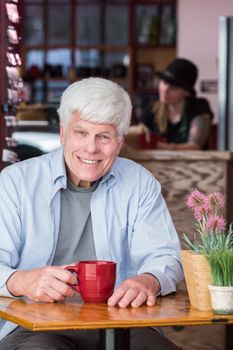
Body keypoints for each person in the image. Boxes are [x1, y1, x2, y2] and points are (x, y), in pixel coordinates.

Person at [0, 77, 183, 350]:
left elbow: (166, 257)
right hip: (34, 326)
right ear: (62, 133)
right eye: (80, 132)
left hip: (123, 324)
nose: (91, 148)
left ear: (120, 141)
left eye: (104, 136)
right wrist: (23, 281)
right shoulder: (16, 182)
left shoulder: (140, 183)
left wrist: (149, 280)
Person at [131, 58, 213, 150]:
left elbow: (195, 146)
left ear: (186, 92)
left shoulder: (199, 107)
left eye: (173, 88)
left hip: (192, 164)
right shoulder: (153, 108)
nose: (165, 90)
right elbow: (140, 132)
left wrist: (164, 147)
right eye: (164, 82)